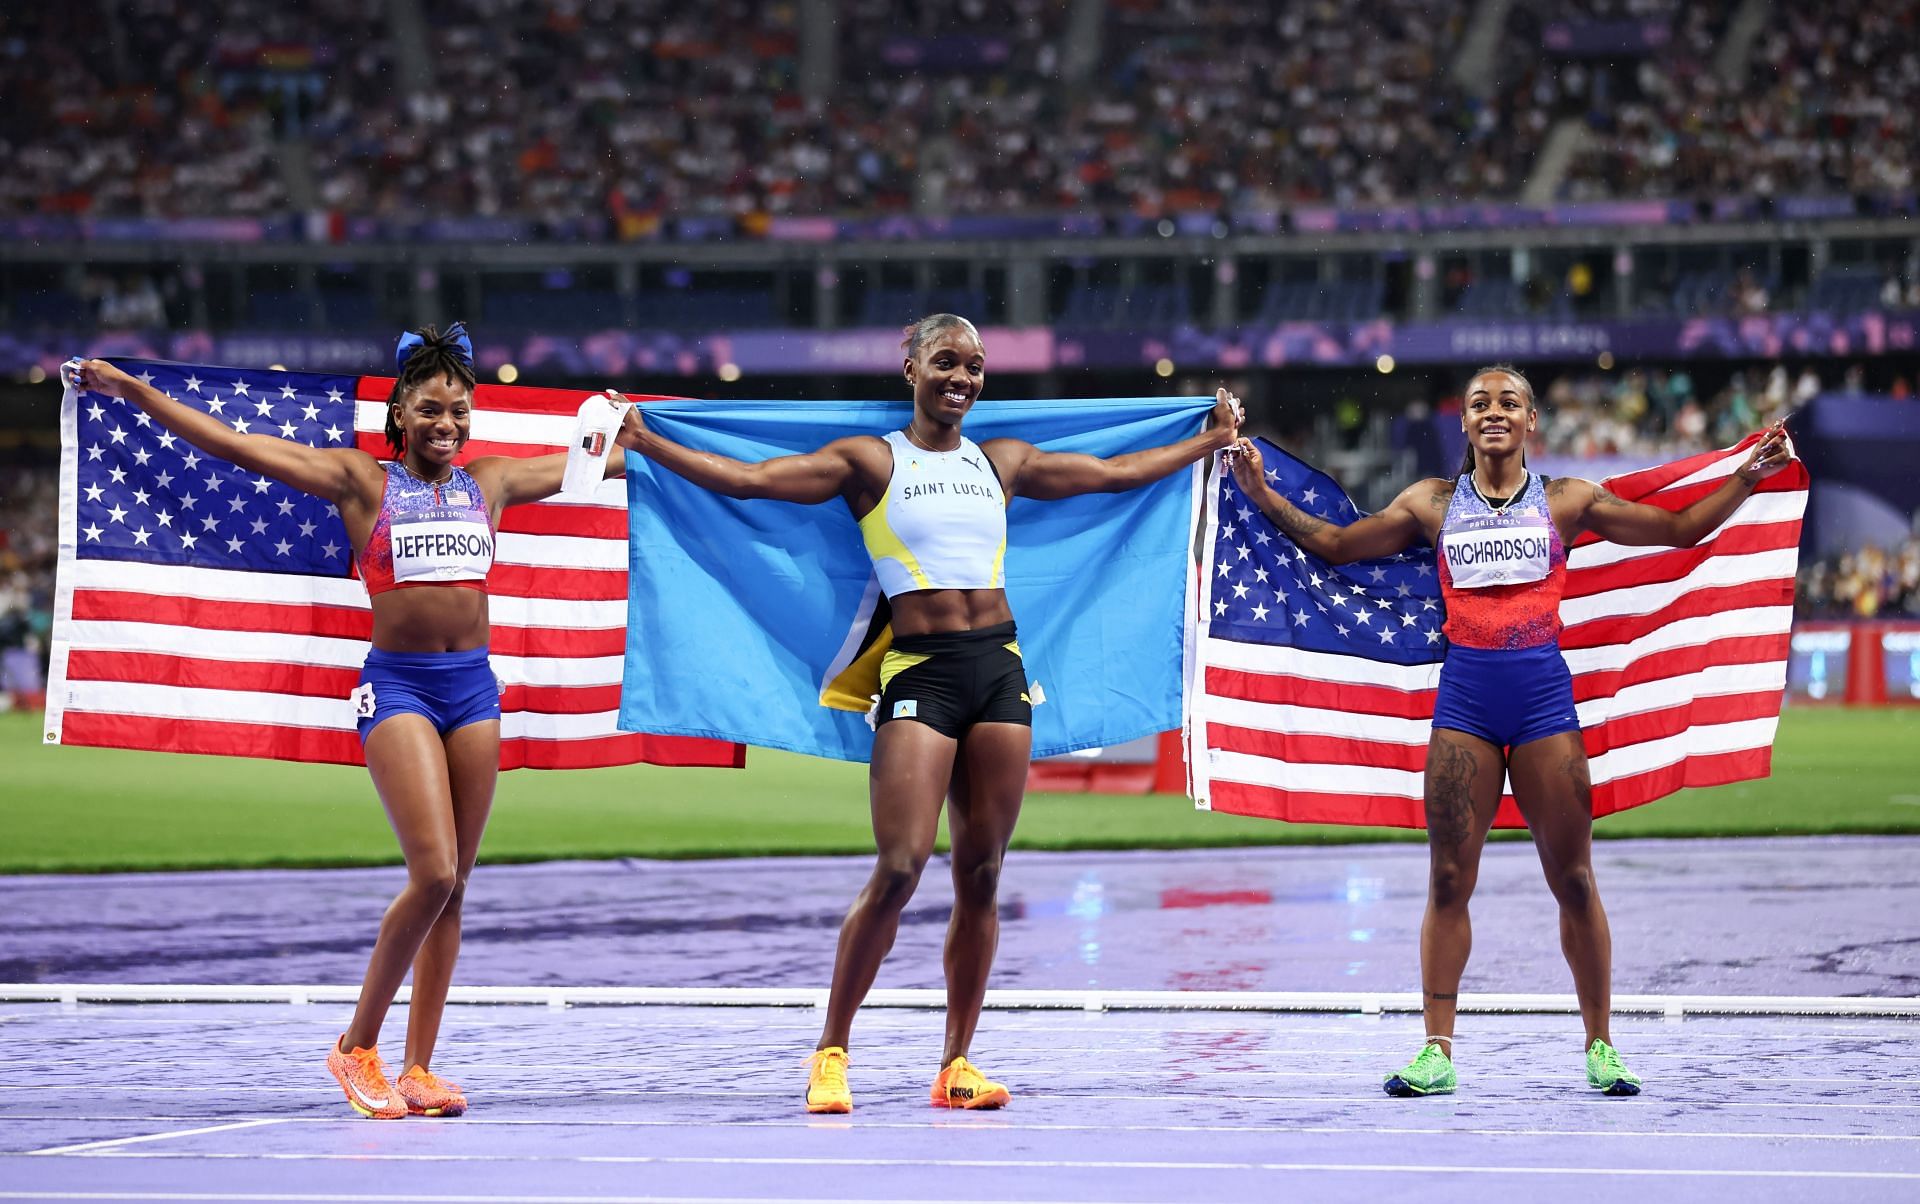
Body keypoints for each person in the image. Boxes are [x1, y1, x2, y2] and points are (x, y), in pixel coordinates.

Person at [617, 314, 1238, 1112]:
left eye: (976, 366)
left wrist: (1208, 441)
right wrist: (648, 443)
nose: (963, 378)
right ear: (909, 368)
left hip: (999, 670)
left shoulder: (1000, 460)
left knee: (981, 873)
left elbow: (1115, 475)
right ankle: (832, 1052)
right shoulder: (871, 460)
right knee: (902, 865)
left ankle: (957, 1063)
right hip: (922, 673)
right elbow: (750, 481)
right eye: (946, 361)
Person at [69, 325, 632, 1119]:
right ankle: (355, 1048)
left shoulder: (492, 482)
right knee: (432, 872)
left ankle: (419, 1067)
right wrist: (134, 392)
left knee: (457, 889)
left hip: (473, 691)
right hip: (399, 689)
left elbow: (604, 463)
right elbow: (233, 445)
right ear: (401, 413)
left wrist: (635, 428)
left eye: (460, 411)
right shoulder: (359, 481)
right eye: (432, 408)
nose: (448, 423)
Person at [1227, 364, 1792, 1098]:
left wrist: (1749, 473)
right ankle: (1437, 1051)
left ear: (1531, 424)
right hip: (1466, 703)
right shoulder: (1431, 502)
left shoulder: (1567, 501)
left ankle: (1602, 1046)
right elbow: (1339, 545)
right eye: (1479, 403)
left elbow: (1681, 531)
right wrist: (1264, 494)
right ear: (1463, 424)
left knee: (1576, 880)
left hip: (1541, 706)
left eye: (1510, 402)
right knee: (1449, 879)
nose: (1494, 411)